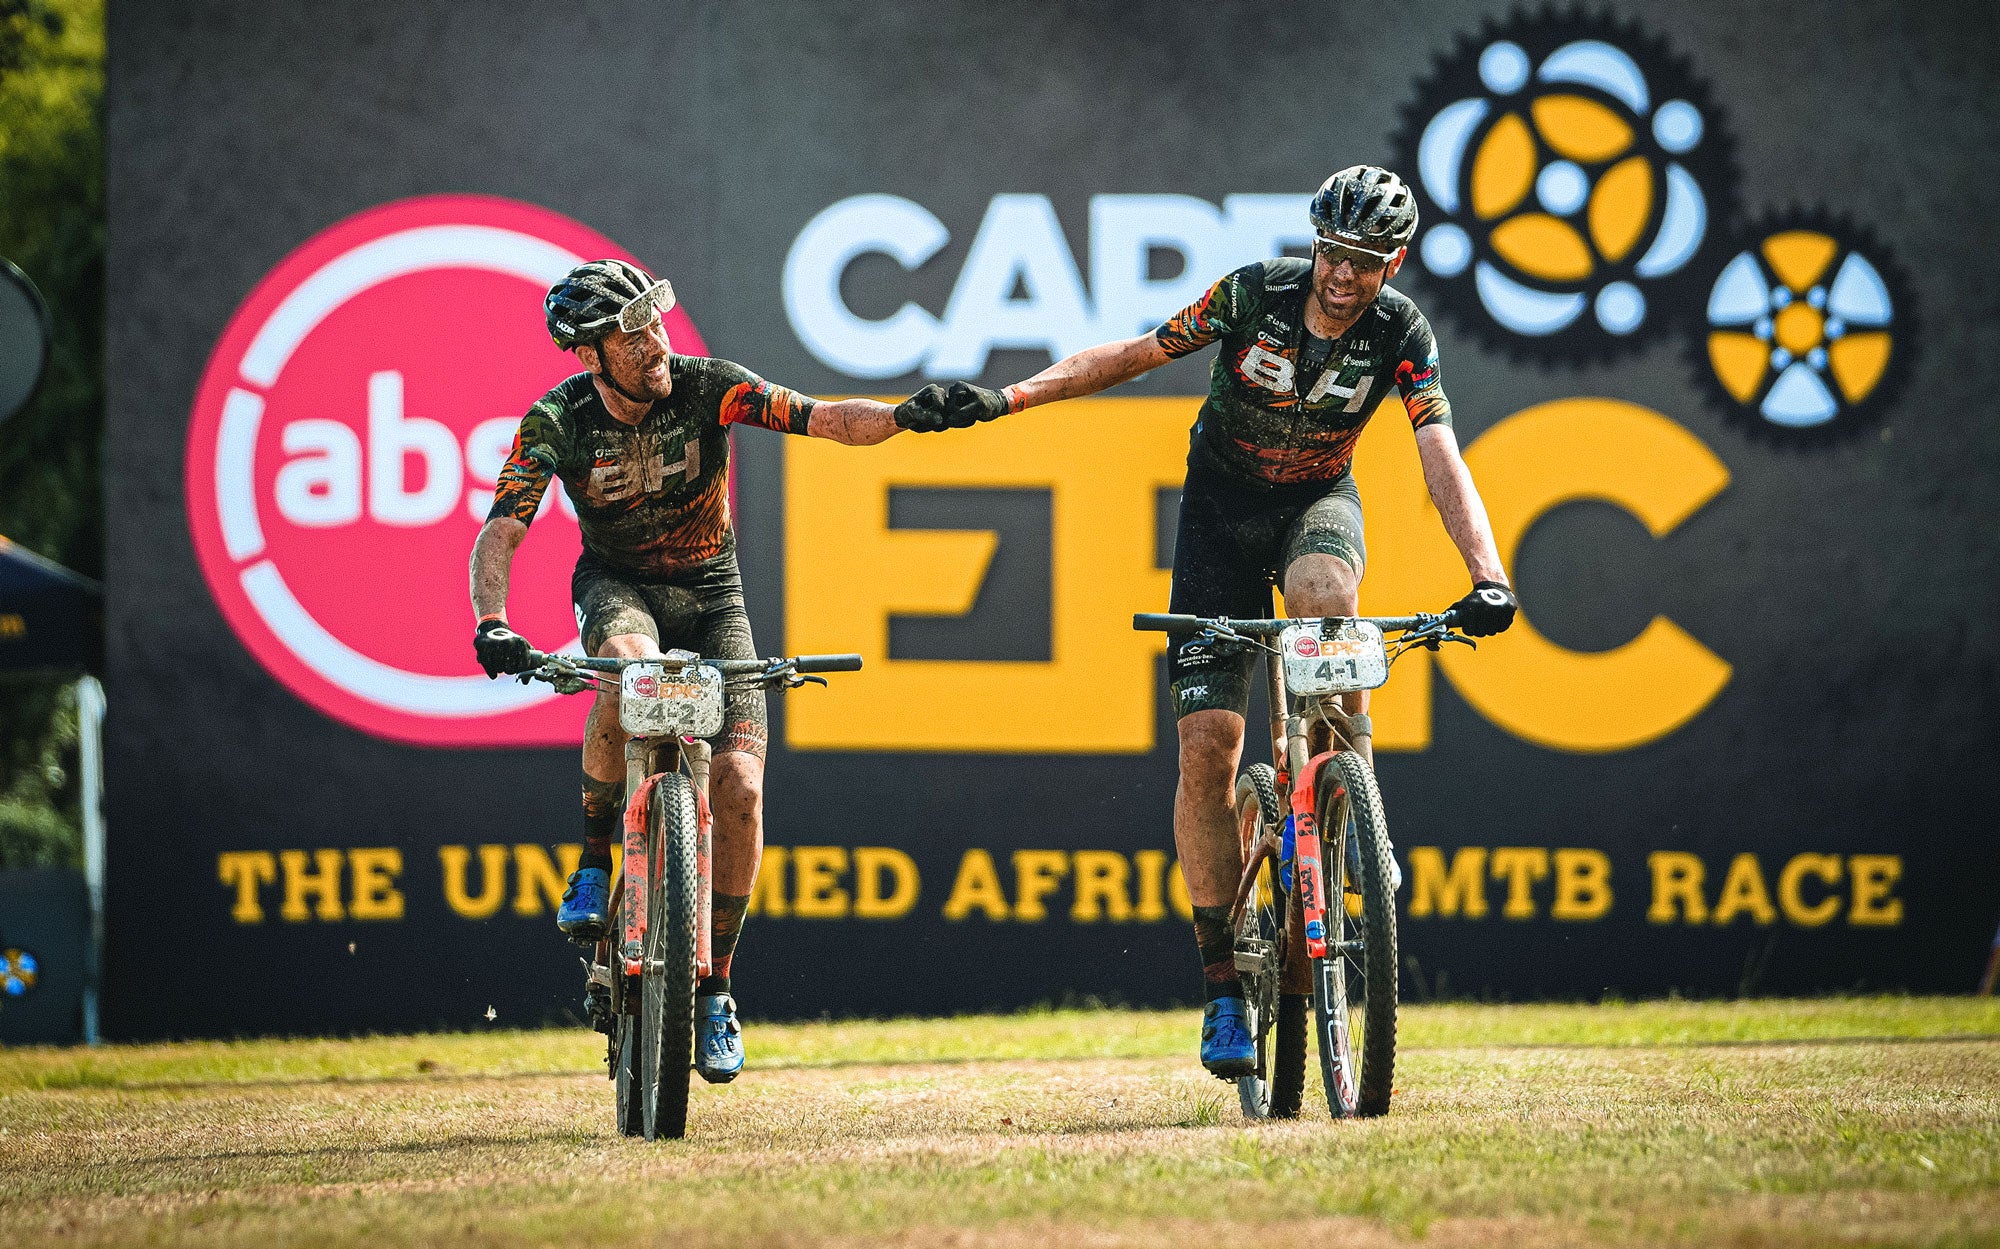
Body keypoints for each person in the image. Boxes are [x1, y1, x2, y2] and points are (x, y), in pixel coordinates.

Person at [899, 167, 1519, 1079]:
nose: (1343, 278)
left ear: (1396, 263)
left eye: (1367, 262)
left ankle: (1358, 819)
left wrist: (1488, 574)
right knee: (1209, 748)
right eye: (1333, 254)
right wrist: (1011, 398)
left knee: (1327, 600)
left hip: (1317, 499)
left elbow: (1439, 452)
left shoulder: (1402, 332)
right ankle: (1223, 983)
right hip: (1219, 514)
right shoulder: (1253, 293)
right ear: (1315, 242)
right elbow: (1137, 354)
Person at [468, 260, 929, 1084]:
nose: (656, 343)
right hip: (620, 590)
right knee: (628, 667)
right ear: (589, 355)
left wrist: (909, 416)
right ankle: (590, 858)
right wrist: (492, 621)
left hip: (716, 596)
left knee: (743, 791)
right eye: (632, 333)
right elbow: (503, 526)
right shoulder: (556, 421)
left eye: (656, 322)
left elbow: (823, 419)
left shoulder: (708, 385)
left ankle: (715, 987)